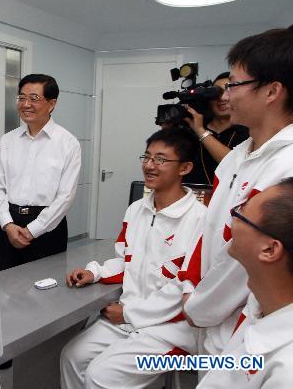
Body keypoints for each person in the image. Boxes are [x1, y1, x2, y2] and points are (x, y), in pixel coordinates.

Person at [60, 128, 206, 389]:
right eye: (147, 157)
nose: (149, 166)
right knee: (72, 357)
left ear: (185, 167)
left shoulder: (200, 219)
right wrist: (96, 272)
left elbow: (184, 289)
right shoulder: (137, 209)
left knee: (100, 376)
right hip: (127, 317)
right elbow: (125, 260)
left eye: (160, 160)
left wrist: (129, 314)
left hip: (170, 331)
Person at [180, 25, 293, 358]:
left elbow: (245, 256)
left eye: (233, 85)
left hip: (248, 322)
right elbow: (209, 228)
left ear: (272, 91)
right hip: (209, 309)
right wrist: (190, 285)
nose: (224, 96)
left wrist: (200, 306)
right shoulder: (237, 157)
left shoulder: (286, 167)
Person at [198, 178, 293, 388]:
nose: (231, 220)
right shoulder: (259, 305)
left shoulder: (286, 372)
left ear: (269, 250)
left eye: (241, 213)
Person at [0, 73, 81, 271]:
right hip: (9, 224)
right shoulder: (7, 140)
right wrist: (7, 224)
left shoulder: (68, 143)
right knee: (5, 287)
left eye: (34, 98)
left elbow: (65, 196)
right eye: (22, 97)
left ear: (52, 103)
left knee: (47, 291)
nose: (26, 104)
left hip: (48, 227)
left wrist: (32, 230)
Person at [183, 72, 249, 184]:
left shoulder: (247, 131)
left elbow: (233, 164)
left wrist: (200, 131)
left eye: (228, 90)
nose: (222, 98)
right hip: (193, 198)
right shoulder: (190, 131)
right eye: (215, 93)